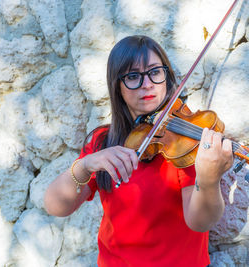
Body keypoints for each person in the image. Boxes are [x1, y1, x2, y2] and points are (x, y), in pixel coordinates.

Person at [44, 35, 233, 266]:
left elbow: (200, 222)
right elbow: (55, 206)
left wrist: (209, 179)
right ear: (118, 86)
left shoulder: (183, 144)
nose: (147, 84)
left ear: (167, 76)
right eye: (133, 77)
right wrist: (85, 165)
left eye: (155, 72)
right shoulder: (104, 140)